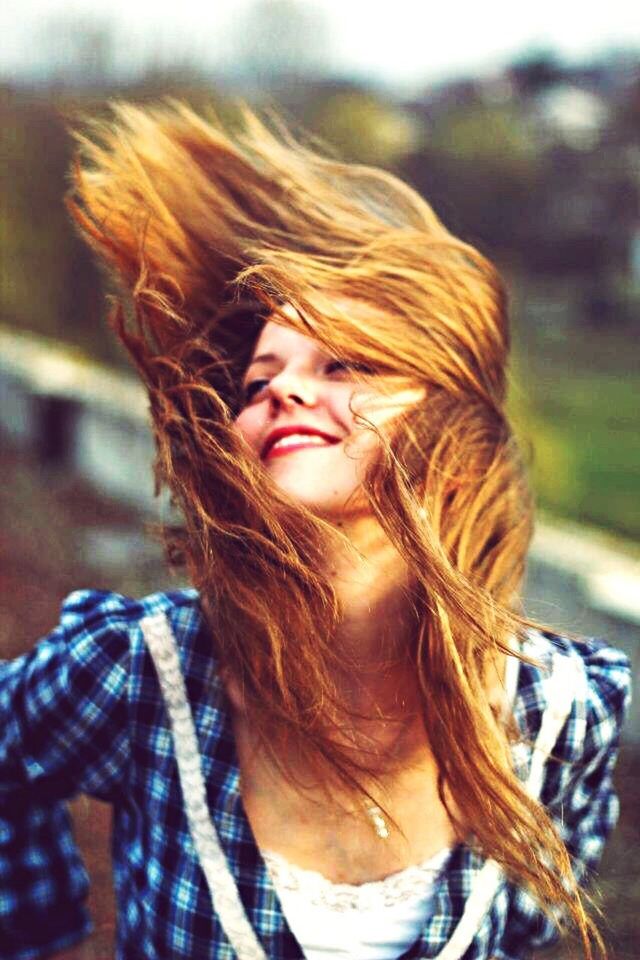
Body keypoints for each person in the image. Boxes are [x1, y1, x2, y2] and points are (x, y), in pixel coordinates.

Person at [0, 101, 631, 960]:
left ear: (454, 426)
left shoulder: (561, 716)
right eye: (259, 381)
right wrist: (34, 924)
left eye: (347, 365)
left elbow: (536, 913)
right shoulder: (141, 676)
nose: (283, 393)